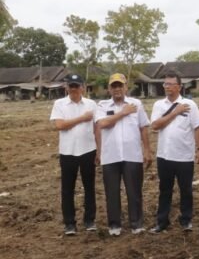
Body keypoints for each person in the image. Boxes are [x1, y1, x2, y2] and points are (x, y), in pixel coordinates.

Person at [95, 73, 152, 236]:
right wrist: (123, 113)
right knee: (112, 192)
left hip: (132, 155)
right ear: (109, 89)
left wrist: (147, 150)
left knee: (134, 191)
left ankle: (137, 223)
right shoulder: (103, 106)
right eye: (114, 86)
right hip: (110, 156)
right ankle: (114, 225)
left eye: (120, 85)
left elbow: (143, 127)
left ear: (126, 87)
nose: (117, 89)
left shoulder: (136, 104)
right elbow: (103, 124)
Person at [149, 71, 199, 234]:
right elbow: (155, 125)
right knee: (164, 190)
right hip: (164, 156)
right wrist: (175, 112)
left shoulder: (190, 105)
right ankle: (162, 221)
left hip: (184, 156)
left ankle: (186, 220)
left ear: (179, 86)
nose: (167, 87)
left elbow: (197, 127)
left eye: (171, 84)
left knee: (186, 190)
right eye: (165, 84)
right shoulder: (159, 105)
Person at [49, 74, 99, 235]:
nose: (74, 89)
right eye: (71, 86)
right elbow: (60, 125)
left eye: (76, 86)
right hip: (68, 152)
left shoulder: (91, 104)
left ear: (82, 87)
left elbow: (97, 128)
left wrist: (99, 149)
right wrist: (82, 118)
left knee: (89, 187)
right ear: (66, 87)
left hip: (88, 150)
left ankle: (89, 220)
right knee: (67, 189)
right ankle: (69, 223)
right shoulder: (60, 104)